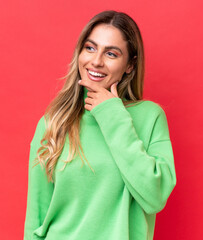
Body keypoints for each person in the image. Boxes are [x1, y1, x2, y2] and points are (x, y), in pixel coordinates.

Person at [23, 10, 177, 240]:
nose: (96, 61)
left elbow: (154, 196)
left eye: (111, 54)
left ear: (130, 65)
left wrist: (112, 115)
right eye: (90, 48)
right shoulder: (53, 122)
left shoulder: (150, 117)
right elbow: (37, 214)